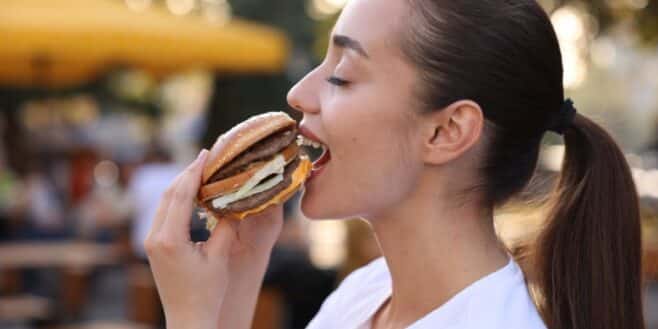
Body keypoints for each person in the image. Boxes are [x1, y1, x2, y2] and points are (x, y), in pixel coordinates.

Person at [143, 1, 645, 329]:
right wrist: (240, 272)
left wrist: (188, 319)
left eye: (341, 73)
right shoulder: (367, 293)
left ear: (446, 131)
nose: (299, 94)